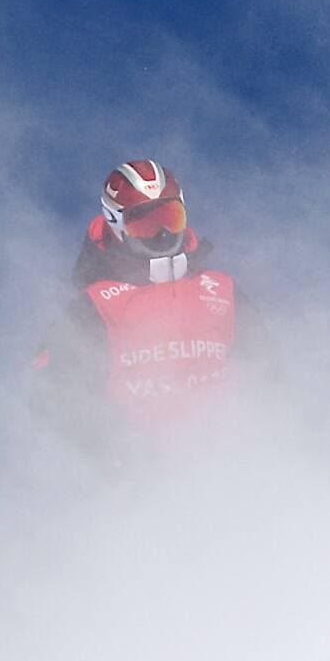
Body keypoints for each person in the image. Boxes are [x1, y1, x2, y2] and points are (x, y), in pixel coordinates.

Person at [31, 159, 264, 453]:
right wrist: (112, 449)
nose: (163, 234)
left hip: (230, 462)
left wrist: (256, 435)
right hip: (135, 476)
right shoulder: (97, 305)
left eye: (170, 217)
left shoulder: (220, 291)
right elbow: (50, 391)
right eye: (146, 224)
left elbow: (267, 371)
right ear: (116, 226)